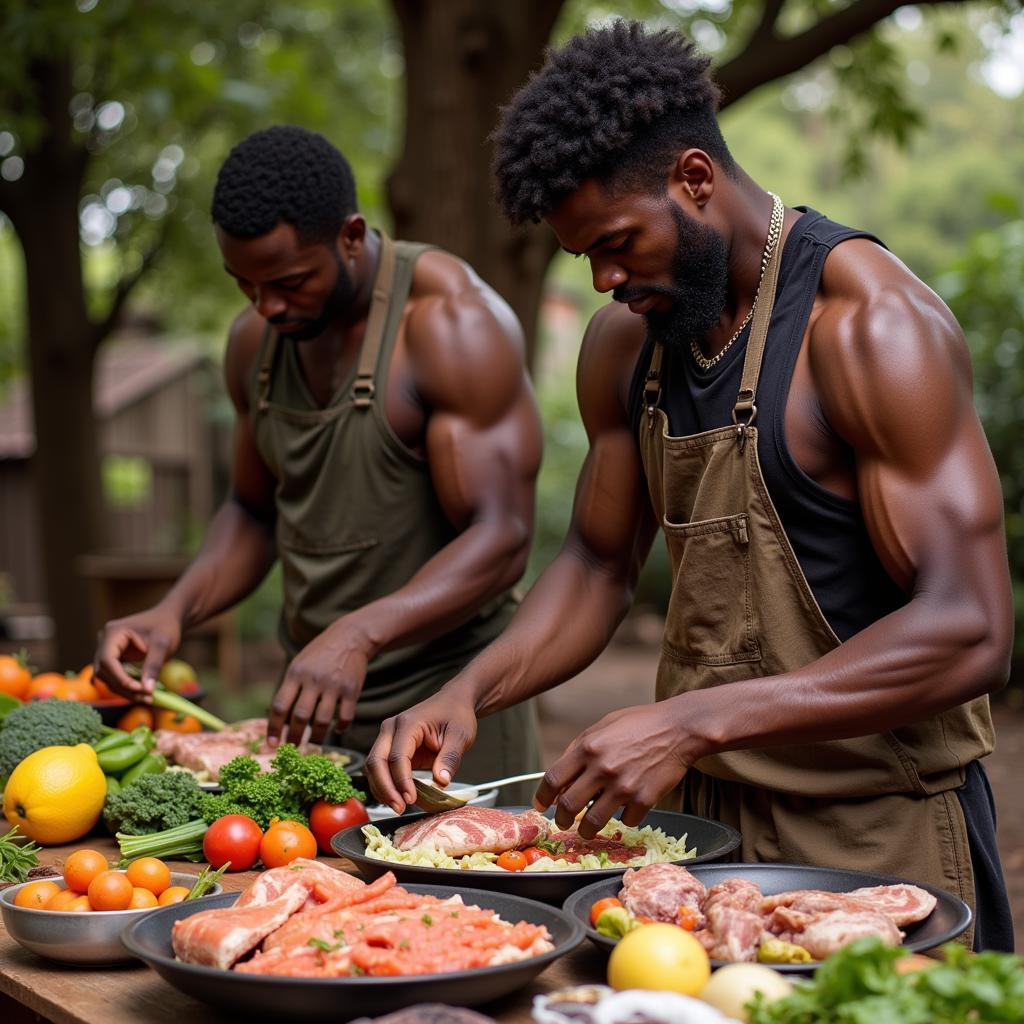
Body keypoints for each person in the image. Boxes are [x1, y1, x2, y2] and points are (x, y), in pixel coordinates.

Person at [366, 22, 1014, 950]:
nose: (604, 280)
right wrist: (469, 691)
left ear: (696, 179)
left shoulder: (871, 326)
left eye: (620, 243)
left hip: (880, 832)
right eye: (584, 255)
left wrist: (695, 719)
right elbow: (595, 565)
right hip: (700, 835)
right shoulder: (625, 348)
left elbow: (972, 630)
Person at [94, 125, 543, 788]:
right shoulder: (254, 344)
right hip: (314, 713)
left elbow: (502, 536)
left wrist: (358, 634)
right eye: (245, 286)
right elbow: (252, 511)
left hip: (449, 719)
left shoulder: (450, 324)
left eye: (290, 281)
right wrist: (174, 611)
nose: (267, 307)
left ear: (352, 237)